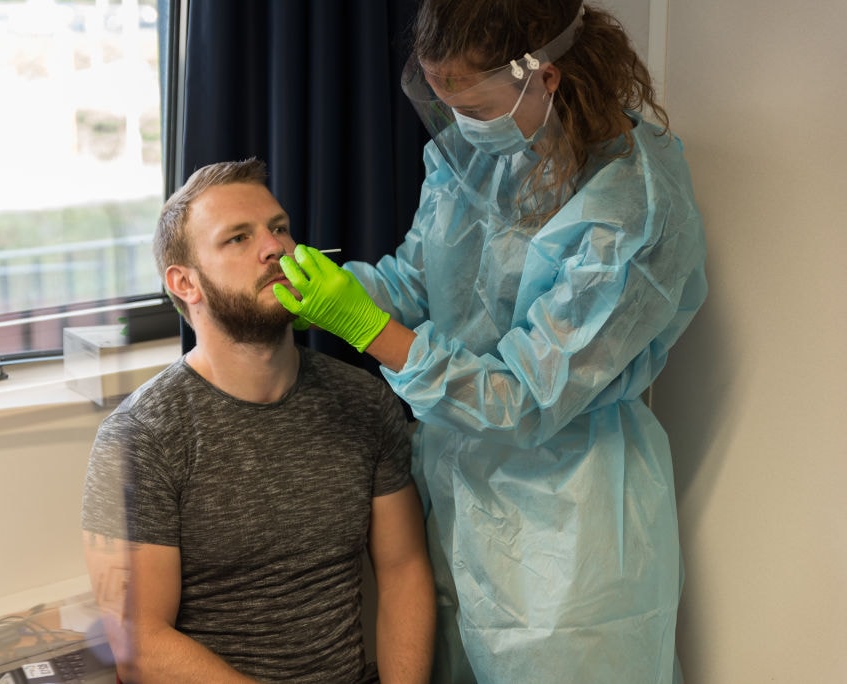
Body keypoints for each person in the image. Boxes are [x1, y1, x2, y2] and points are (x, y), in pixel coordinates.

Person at [274, 1, 708, 682]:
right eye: (445, 99)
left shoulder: (630, 210)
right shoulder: (477, 159)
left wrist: (367, 329)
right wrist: (341, 294)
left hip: (567, 526)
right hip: (456, 491)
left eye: (475, 106)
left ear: (548, 77)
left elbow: (524, 398)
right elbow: (420, 278)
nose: (461, 128)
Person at [80, 158, 435, 684]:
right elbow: (139, 645)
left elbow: (404, 570)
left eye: (279, 228)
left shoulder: (361, 401)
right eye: (238, 239)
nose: (275, 248)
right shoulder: (140, 439)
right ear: (185, 283)